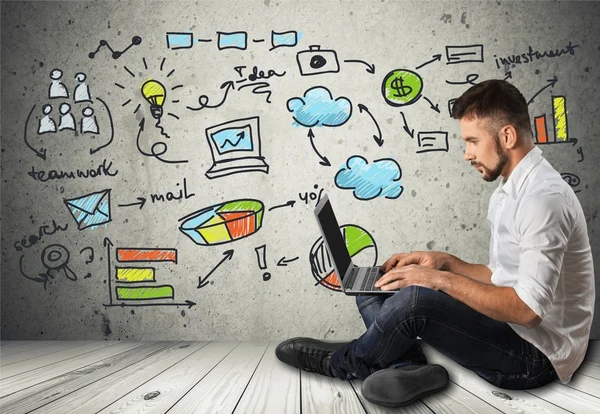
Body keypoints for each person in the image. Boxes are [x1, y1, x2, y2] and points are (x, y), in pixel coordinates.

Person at [276, 79, 595, 408]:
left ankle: (345, 362)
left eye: (472, 141)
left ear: (507, 136)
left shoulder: (542, 200)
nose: (466, 154)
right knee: (378, 283)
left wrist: (439, 281)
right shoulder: (509, 190)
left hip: (536, 358)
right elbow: (504, 274)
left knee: (415, 297)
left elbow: (527, 310)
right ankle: (410, 367)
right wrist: (446, 263)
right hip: (512, 331)